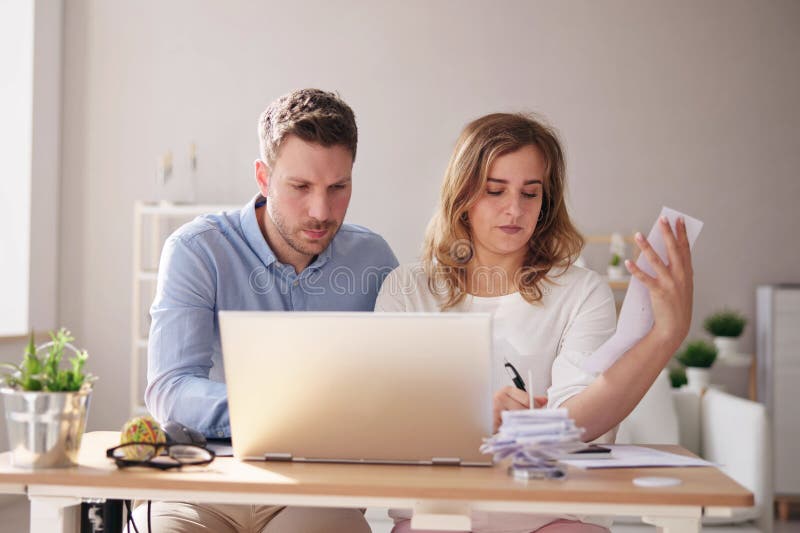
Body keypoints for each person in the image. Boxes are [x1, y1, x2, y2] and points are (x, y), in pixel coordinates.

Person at [376, 112, 693, 533]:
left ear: (547, 202)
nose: (515, 209)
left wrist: (666, 335)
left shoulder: (583, 291)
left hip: (555, 513)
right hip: (440, 513)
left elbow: (582, 417)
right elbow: (385, 416)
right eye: (495, 190)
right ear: (462, 195)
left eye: (531, 193)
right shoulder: (407, 287)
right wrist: (474, 422)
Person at [138, 88, 398, 532]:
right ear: (263, 177)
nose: (321, 210)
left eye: (338, 187)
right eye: (300, 187)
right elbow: (172, 390)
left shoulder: (373, 259)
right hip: (202, 480)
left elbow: (399, 383)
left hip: (316, 490)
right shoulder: (197, 250)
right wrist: (286, 413)